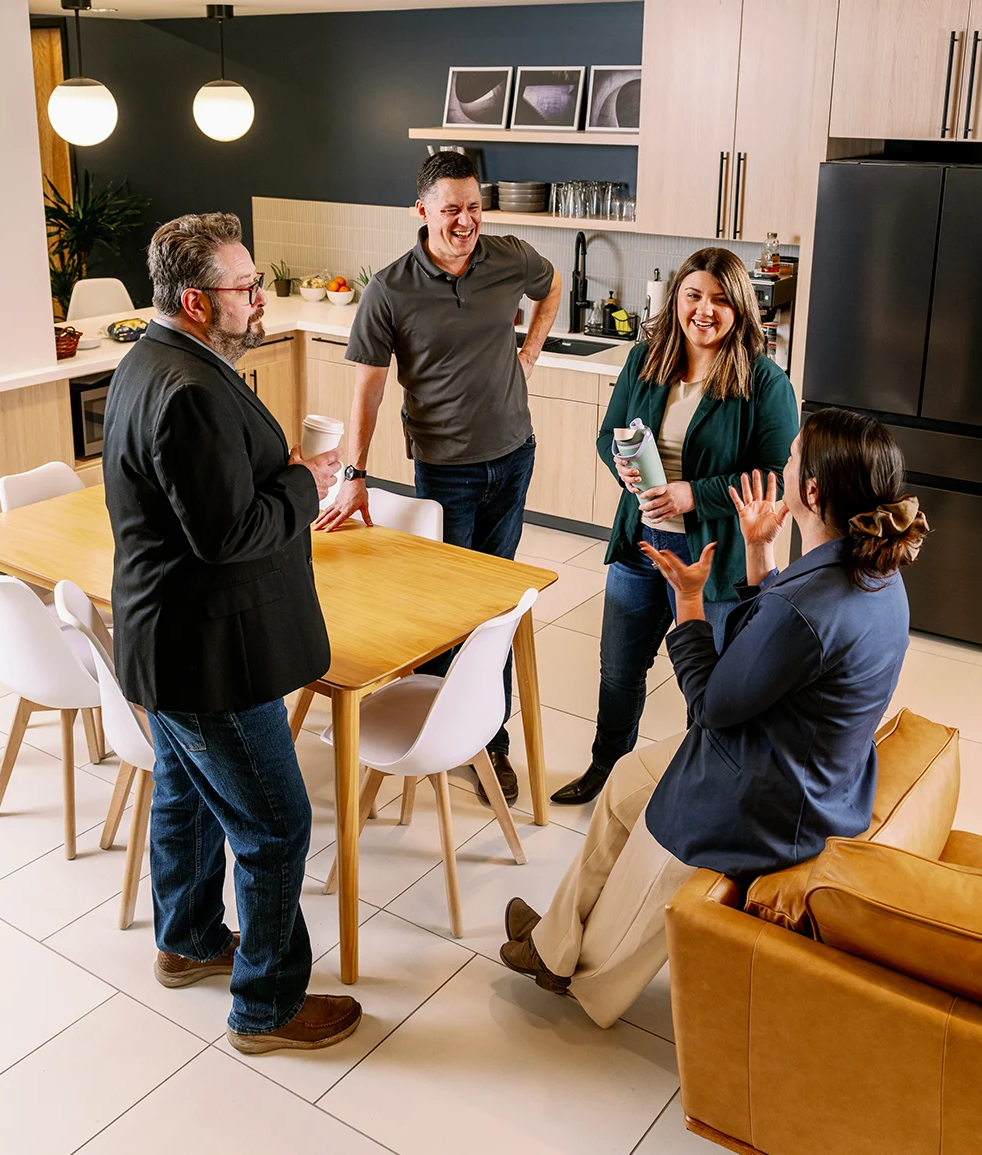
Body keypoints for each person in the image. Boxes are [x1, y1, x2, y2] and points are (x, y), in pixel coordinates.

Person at [500, 407, 928, 1028]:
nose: (783, 461)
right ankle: (554, 941)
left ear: (810, 492)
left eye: (794, 455)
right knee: (627, 779)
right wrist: (759, 552)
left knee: (659, 824)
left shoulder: (811, 605)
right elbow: (780, 652)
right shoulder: (870, 573)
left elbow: (711, 704)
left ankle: (584, 982)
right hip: (801, 765)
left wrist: (691, 600)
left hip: (769, 797)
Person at [103, 212, 362, 1055]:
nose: (258, 299)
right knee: (276, 822)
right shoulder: (186, 391)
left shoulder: (158, 359)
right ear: (195, 300)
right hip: (206, 653)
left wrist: (271, 470)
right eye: (245, 288)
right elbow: (227, 535)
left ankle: (185, 940)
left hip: (168, 644)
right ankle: (267, 1007)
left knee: (182, 795)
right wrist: (301, 481)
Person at [317, 150, 562, 807]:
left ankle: (491, 741)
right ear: (421, 211)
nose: (465, 221)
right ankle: (427, 729)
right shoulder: (391, 288)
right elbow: (367, 392)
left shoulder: (508, 257)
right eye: (451, 208)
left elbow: (551, 283)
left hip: (514, 455)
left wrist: (531, 348)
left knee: (496, 607)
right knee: (439, 612)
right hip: (445, 469)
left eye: (474, 207)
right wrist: (353, 474)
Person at [552, 247, 798, 805]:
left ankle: (698, 787)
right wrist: (624, 468)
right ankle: (606, 771)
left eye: (719, 299)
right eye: (693, 295)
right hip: (641, 547)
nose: (704, 311)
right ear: (677, 299)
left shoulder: (764, 382)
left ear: (740, 308)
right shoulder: (646, 359)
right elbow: (608, 434)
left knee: (709, 684)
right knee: (619, 672)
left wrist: (694, 495)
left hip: (713, 560)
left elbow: (774, 476)